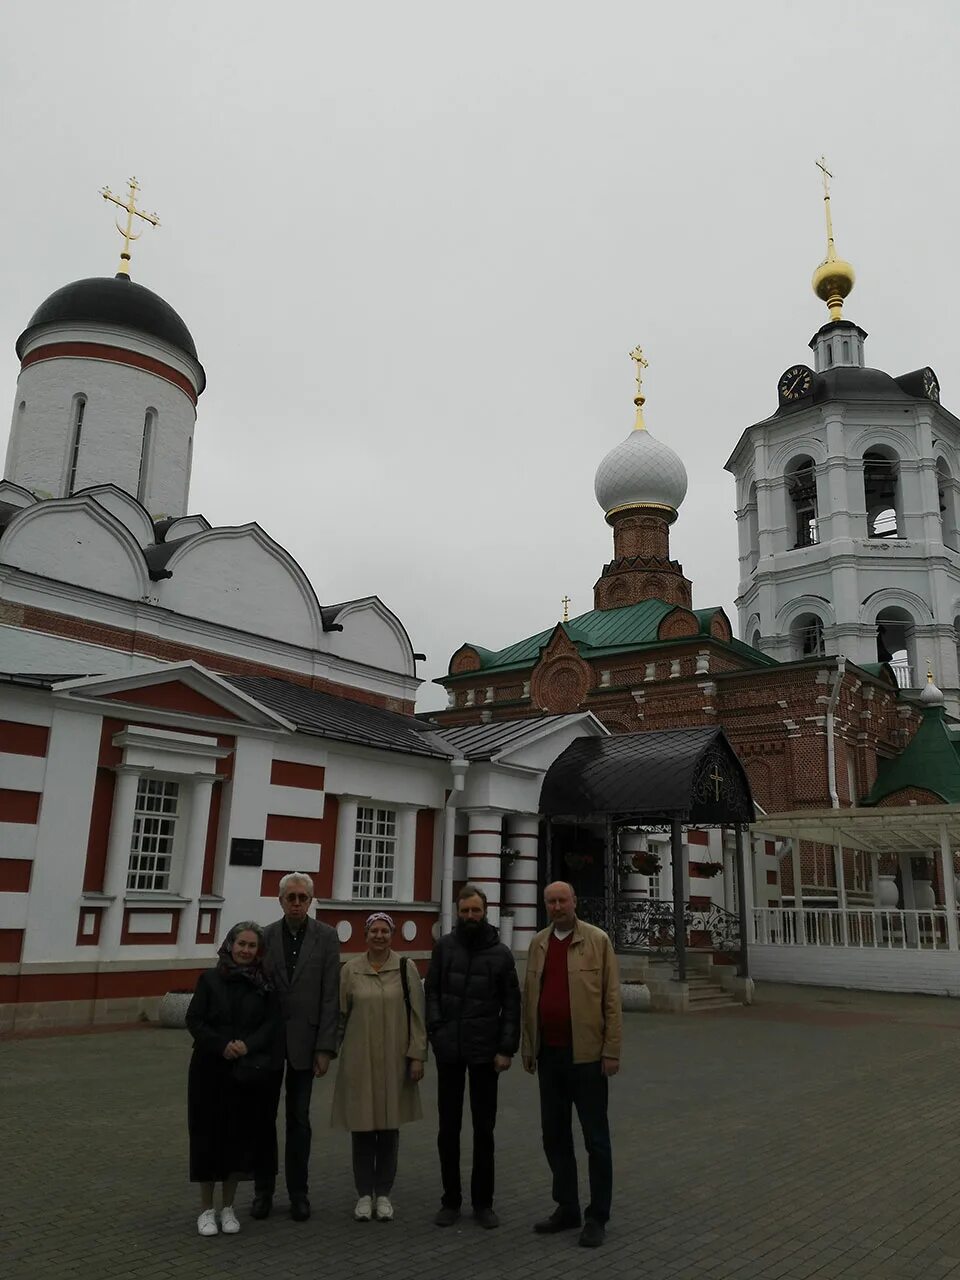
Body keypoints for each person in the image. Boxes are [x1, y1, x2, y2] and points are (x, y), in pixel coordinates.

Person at [521, 881, 622, 1248]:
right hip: (551, 1055)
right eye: (551, 901)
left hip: (588, 1057)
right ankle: (567, 1207)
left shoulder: (597, 941)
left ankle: (597, 1215)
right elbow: (529, 998)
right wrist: (528, 1048)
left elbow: (611, 999)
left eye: (563, 900)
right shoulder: (538, 944)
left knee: (596, 1139)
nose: (557, 906)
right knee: (554, 1135)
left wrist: (611, 1051)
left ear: (575, 902)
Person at [425, 883, 520, 1229]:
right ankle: (450, 1201)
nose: (470, 916)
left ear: (485, 912)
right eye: (465, 911)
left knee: (484, 1130)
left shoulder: (501, 953)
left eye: (475, 911)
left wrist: (506, 1049)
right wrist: (437, 1032)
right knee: (447, 1129)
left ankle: (483, 1203)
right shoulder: (444, 948)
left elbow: (512, 1005)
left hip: (485, 1053)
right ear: (458, 912)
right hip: (450, 1050)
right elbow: (431, 991)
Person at [253, 871, 340, 1222]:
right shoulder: (264, 936)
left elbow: (330, 996)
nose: (297, 903)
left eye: (303, 897)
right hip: (268, 1043)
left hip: (307, 1042)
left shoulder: (327, 938)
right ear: (280, 900)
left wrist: (325, 1048)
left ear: (311, 900)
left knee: (299, 1120)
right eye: (291, 897)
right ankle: (263, 1192)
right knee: (263, 1119)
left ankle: (298, 1193)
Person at [331, 911, 427, 1222]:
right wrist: (326, 1052)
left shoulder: (405, 967)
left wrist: (417, 1056)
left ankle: (383, 1193)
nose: (380, 936)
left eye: (385, 931)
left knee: (388, 1129)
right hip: (359, 1061)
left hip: (394, 1061)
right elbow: (339, 1016)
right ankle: (363, 1194)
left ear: (392, 935)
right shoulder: (351, 970)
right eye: (374, 930)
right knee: (361, 1129)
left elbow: (417, 1017)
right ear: (366, 934)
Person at [186, 921, 279, 1237]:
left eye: (252, 946)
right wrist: (220, 1044)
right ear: (230, 944)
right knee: (207, 1139)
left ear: (258, 951)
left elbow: (271, 1024)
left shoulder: (263, 984)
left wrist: (247, 1045)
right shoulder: (210, 979)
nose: (245, 951)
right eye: (241, 944)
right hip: (209, 1071)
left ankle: (228, 1208)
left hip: (245, 1071)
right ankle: (205, 1209)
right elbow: (195, 1020)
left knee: (237, 1140)